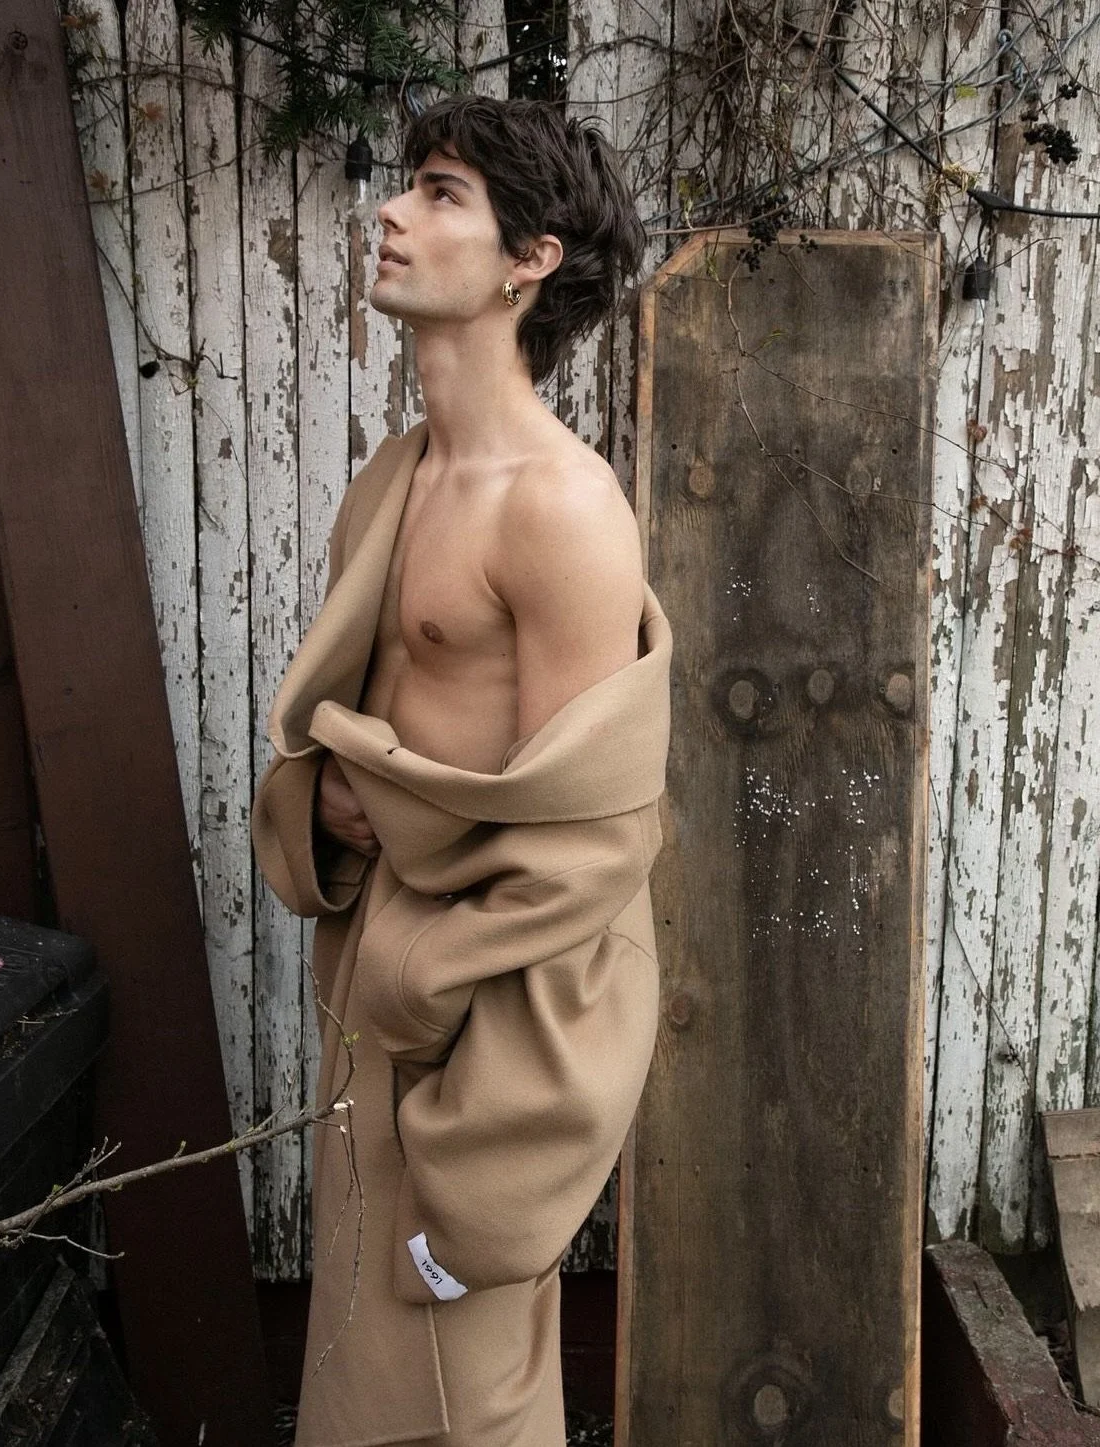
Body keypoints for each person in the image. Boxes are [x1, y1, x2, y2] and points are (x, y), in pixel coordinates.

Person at [253, 95, 672, 1447]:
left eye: (439, 193)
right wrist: (324, 799)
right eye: (407, 184)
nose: (390, 210)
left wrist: (476, 1132)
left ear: (527, 258)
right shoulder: (400, 473)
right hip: (387, 1024)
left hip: (479, 1054)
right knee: (365, 1382)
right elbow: (362, 732)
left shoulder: (558, 507)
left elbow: (582, 851)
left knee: (462, 1409)